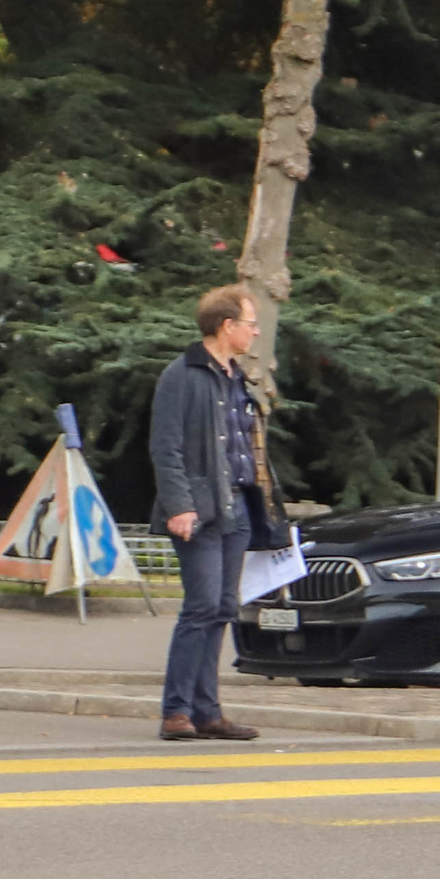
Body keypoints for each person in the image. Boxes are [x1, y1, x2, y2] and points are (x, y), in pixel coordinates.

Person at [149, 285, 284, 741]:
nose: (255, 331)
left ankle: (208, 712)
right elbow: (165, 448)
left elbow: (247, 446)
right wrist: (179, 505)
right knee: (202, 605)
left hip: (238, 509)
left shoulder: (237, 378)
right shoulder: (182, 375)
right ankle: (176, 712)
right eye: (250, 324)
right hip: (200, 510)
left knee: (224, 607)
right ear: (227, 327)